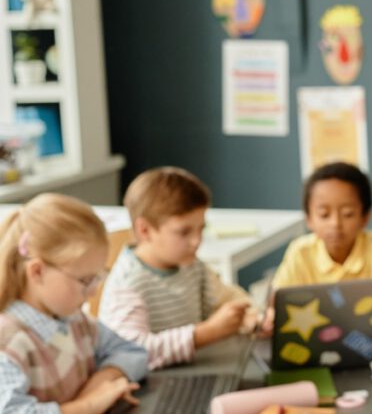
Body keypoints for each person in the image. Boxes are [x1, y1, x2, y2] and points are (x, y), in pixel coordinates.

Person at [0, 193, 148, 413]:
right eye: (85, 280)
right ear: (37, 271)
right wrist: (88, 405)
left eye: (98, 276)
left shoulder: (74, 320)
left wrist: (101, 388)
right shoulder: (8, 343)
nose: (94, 291)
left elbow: (133, 353)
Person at [98, 166, 253, 370]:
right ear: (144, 230)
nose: (197, 241)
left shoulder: (191, 265)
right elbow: (130, 351)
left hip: (192, 371)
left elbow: (226, 298)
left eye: (201, 229)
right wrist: (205, 333)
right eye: (184, 232)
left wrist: (252, 316)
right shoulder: (128, 284)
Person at [271, 161, 372, 290]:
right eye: (324, 214)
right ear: (309, 218)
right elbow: (277, 300)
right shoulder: (300, 252)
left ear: (365, 217)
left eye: (348, 214)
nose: (335, 223)